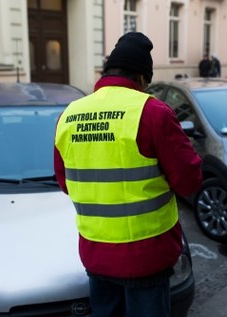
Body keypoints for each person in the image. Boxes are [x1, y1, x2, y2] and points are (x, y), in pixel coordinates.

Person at [54, 32, 203, 317]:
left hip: (96, 253)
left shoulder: (69, 115)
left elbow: (65, 183)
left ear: (107, 72)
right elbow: (189, 181)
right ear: (142, 78)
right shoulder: (152, 112)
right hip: (146, 256)